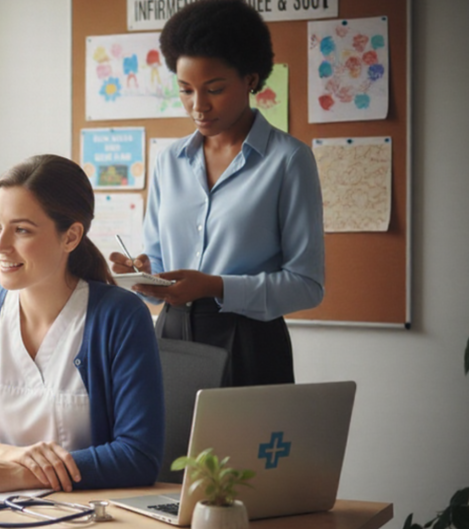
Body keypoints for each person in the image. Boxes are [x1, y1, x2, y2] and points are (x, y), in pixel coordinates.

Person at [109, 0, 325, 388]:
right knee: (168, 449)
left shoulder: (289, 160)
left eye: (215, 89)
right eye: (186, 90)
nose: (198, 106)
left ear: (251, 79)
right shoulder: (168, 161)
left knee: (240, 449)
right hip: (171, 338)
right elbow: (159, 266)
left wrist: (215, 286)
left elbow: (306, 285)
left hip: (250, 343)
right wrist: (143, 275)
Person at [0, 154, 164, 499]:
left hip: (89, 524)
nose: (1, 244)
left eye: (21, 229)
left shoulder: (120, 316)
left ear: (70, 237)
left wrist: (19, 474)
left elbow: (139, 455)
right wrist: (12, 454)